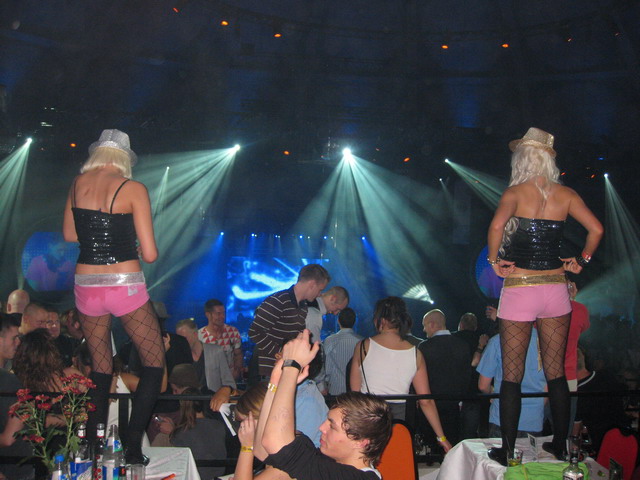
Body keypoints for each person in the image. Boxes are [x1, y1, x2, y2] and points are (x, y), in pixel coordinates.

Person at [486, 127, 603, 465]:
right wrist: (582, 261)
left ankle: (508, 450)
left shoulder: (515, 192)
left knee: (512, 375)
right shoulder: (565, 194)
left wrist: (494, 262)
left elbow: (496, 227)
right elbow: (596, 229)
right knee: (556, 373)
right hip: (555, 289)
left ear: (522, 158)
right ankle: (561, 446)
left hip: (521, 287)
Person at [62, 129, 165, 465]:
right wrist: (127, 240)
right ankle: (132, 444)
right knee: (154, 363)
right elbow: (150, 254)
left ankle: (92, 445)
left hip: (86, 283)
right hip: (123, 282)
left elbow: (69, 234)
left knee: (101, 368)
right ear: (124, 158)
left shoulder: (77, 184)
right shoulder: (132, 188)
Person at [259, 329, 393, 480]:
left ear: (361, 442)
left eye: (332, 426)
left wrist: (292, 366)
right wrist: (275, 384)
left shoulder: (357, 477)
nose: (321, 428)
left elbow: (274, 443)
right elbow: (262, 451)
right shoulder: (329, 461)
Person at [350, 297, 452, 452]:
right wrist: (442, 438)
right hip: (400, 420)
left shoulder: (363, 346)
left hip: (368, 417)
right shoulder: (415, 353)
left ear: (380, 319)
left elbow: (355, 393)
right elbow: (426, 401)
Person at [249, 264, 330, 378]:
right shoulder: (278, 300)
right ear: (312, 284)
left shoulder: (303, 306)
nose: (320, 294)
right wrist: (280, 352)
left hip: (283, 369)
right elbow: (254, 332)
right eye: (320, 289)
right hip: (267, 372)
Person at [477, 328, 547, 438]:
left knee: (503, 449)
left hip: (502, 416)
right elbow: (548, 386)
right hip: (533, 419)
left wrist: (492, 392)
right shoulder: (545, 341)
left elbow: (483, 385)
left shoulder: (497, 341)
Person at [419, 309, 471, 446]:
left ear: (432, 324)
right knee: (453, 446)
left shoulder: (424, 347)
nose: (424, 330)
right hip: (454, 406)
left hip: (431, 407)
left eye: (424, 325)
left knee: (431, 449)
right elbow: (466, 377)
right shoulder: (463, 345)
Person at [155, 387, 226, 480]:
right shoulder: (219, 425)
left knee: (161, 438)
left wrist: (173, 432)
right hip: (218, 474)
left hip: (195, 475)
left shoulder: (183, 432)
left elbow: (182, 452)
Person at [175, 318, 237, 411]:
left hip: (212, 407)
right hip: (189, 408)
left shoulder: (216, 351)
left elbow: (229, 382)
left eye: (184, 338)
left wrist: (225, 391)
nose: (181, 342)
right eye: (178, 339)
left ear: (195, 335)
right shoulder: (179, 356)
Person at [198, 299, 244, 380]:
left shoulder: (233, 332)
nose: (222, 316)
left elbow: (238, 354)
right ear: (208, 315)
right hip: (208, 379)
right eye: (218, 313)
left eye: (224, 313)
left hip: (230, 378)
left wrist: (236, 372)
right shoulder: (200, 335)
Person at [324, 308, 362, 396]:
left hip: (335, 391)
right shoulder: (362, 342)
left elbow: (326, 369)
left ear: (338, 321)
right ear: (354, 322)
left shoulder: (330, 341)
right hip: (355, 392)